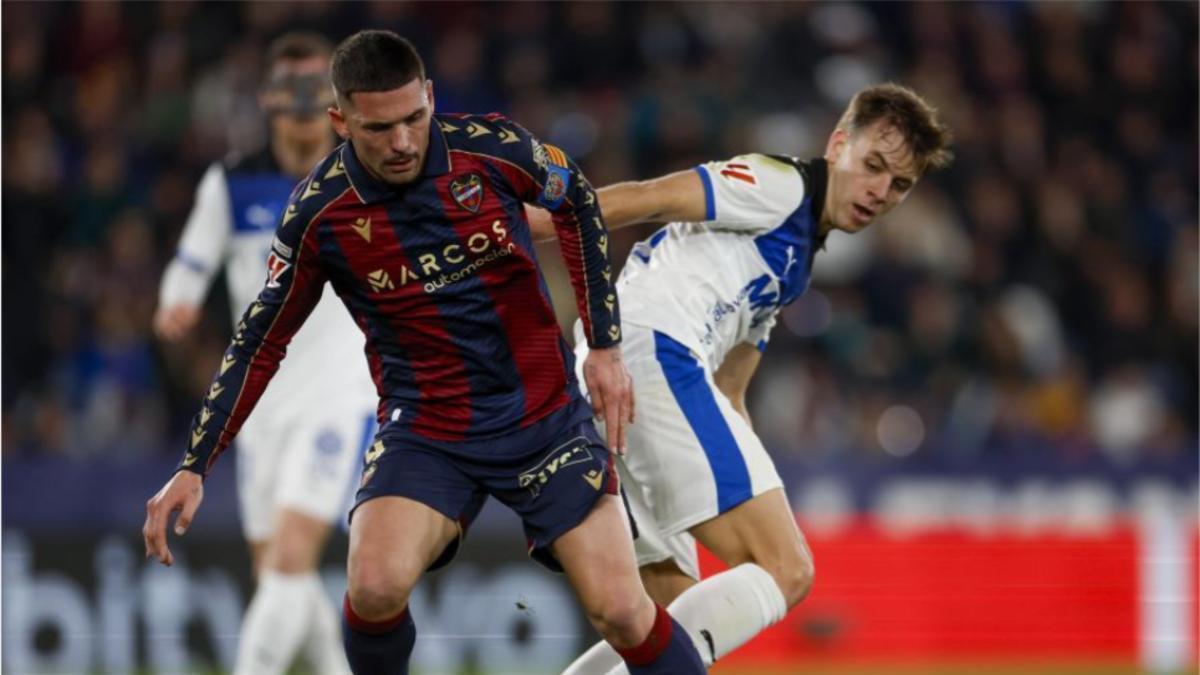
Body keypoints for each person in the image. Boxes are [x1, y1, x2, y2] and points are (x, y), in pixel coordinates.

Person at [143, 29, 705, 675]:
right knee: (374, 585)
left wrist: (603, 344)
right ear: (341, 120)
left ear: (431, 96)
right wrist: (195, 463)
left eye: (414, 117)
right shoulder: (318, 214)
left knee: (623, 611)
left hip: (543, 415)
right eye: (380, 128)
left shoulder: (492, 148)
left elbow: (575, 197)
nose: (404, 141)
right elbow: (258, 340)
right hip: (428, 428)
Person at [554, 83, 954, 673]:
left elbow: (734, 391)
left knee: (658, 632)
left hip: (616, 371)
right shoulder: (782, 185)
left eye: (899, 185)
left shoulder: (793, 260)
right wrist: (527, 225)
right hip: (650, 348)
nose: (880, 192)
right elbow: (648, 197)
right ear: (838, 143)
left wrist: (753, 470)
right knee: (787, 569)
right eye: (873, 166)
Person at [154, 31, 371, 675]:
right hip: (259, 406)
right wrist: (178, 300)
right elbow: (191, 260)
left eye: (317, 89)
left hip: (340, 396)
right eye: (293, 88)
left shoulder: (362, 174)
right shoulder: (232, 181)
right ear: (269, 99)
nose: (305, 103)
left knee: (289, 560)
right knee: (278, 572)